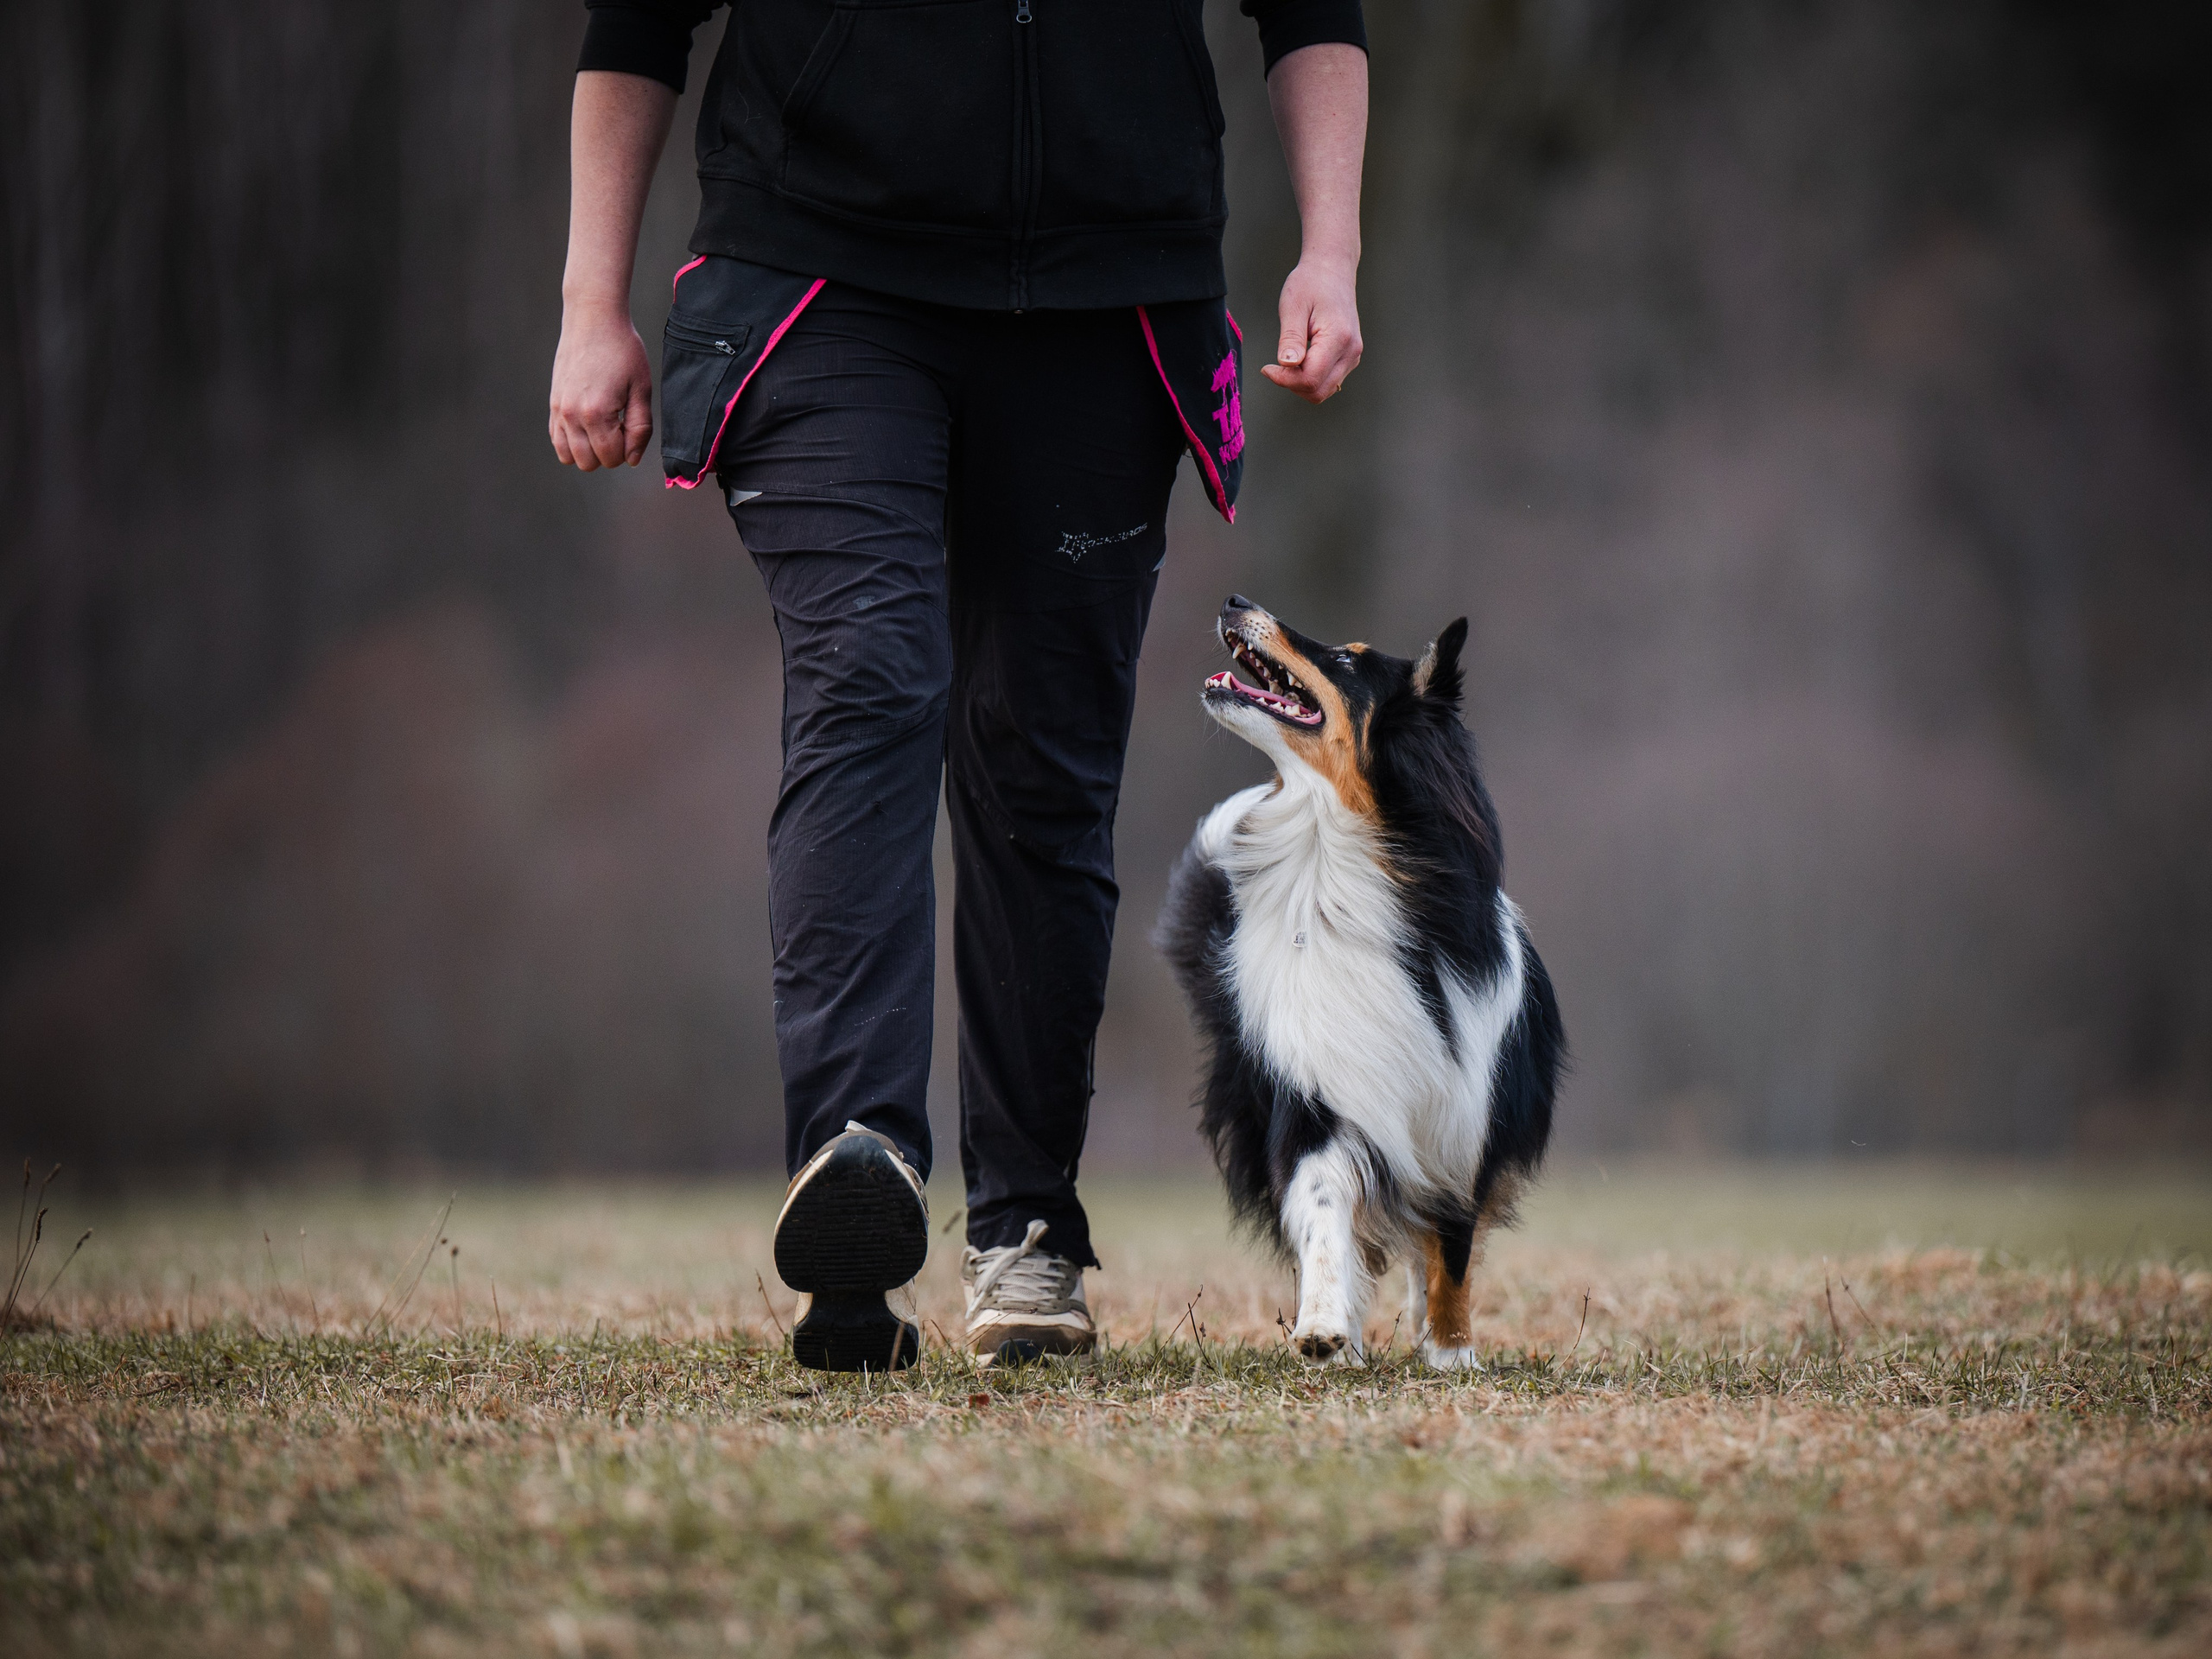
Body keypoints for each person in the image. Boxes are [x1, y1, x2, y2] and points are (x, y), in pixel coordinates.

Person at [549, 0, 1368, 1370]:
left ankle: (1027, 1233)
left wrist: (1331, 250)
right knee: (871, 679)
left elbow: (1313, 7)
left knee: (1042, 759)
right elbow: (637, 17)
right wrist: (589, 302)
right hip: (819, 274)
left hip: (1110, 287)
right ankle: (855, 1163)